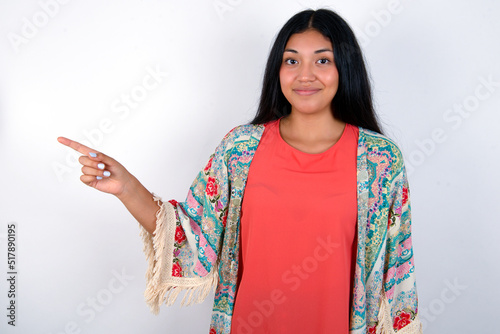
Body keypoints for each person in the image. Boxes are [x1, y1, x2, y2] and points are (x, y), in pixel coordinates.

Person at [58, 8, 422, 334]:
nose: (305, 74)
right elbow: (194, 236)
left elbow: (397, 278)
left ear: (345, 66)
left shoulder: (380, 161)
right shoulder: (241, 150)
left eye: (322, 61)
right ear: (277, 70)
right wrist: (127, 187)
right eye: (291, 61)